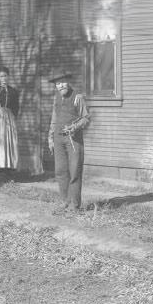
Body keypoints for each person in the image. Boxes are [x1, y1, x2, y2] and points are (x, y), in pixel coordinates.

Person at [48, 71, 90, 210]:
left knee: (74, 171)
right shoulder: (56, 99)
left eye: (63, 82)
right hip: (58, 139)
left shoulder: (78, 97)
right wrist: (50, 137)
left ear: (68, 81)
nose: (60, 86)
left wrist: (75, 127)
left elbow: (86, 118)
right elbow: (54, 119)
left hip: (73, 139)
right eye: (57, 84)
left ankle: (74, 205)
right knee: (60, 171)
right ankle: (65, 202)